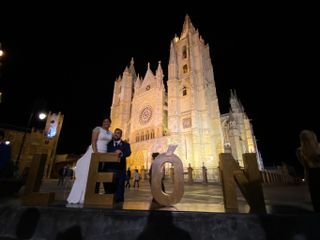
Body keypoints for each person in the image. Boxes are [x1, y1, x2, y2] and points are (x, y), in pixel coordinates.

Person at [67, 118, 112, 204]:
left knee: (97, 174)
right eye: (105, 121)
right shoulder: (97, 129)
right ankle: (82, 196)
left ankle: (92, 194)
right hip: (95, 152)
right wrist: (95, 152)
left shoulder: (110, 133)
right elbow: (93, 141)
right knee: (88, 173)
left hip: (104, 153)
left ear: (110, 123)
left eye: (108, 122)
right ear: (102, 123)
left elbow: (115, 137)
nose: (106, 123)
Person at [296, 130, 320, 212]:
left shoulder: (300, 151)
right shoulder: (319, 147)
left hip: (312, 175)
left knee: (316, 201)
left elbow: (305, 166)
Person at [106, 128, 131, 203]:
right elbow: (106, 152)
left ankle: (120, 206)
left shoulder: (126, 144)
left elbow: (128, 152)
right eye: (115, 133)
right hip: (110, 169)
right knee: (110, 188)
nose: (117, 134)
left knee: (120, 188)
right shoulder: (109, 144)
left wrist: (121, 153)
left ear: (121, 135)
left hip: (121, 169)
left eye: (118, 133)